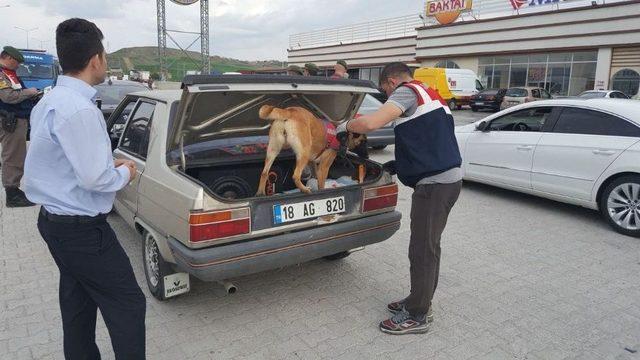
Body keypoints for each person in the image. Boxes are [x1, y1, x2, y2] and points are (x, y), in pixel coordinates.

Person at [24, 18, 146, 359]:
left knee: (77, 300)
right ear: (96, 59)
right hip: (84, 233)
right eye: (105, 55)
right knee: (129, 304)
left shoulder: (52, 99)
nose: (105, 62)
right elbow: (96, 180)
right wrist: (126, 174)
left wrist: (108, 165)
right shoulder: (79, 109)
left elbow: (66, 162)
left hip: (54, 222)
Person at [336, 62, 462, 335]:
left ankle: (418, 315)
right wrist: (399, 165)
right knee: (428, 247)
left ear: (391, 82)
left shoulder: (406, 92)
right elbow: (426, 140)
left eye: (385, 90)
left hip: (435, 186)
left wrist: (345, 125)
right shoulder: (430, 93)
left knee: (422, 250)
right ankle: (418, 299)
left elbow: (370, 123)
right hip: (447, 180)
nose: (387, 96)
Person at [0, 45, 40, 207]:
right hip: (11, 121)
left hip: (17, 120)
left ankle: (14, 190)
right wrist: (30, 92)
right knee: (12, 158)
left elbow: (17, 94)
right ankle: (12, 194)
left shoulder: (10, 74)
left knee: (15, 156)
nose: (18, 66)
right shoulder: (2, 76)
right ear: (8, 58)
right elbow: (8, 97)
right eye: (17, 62)